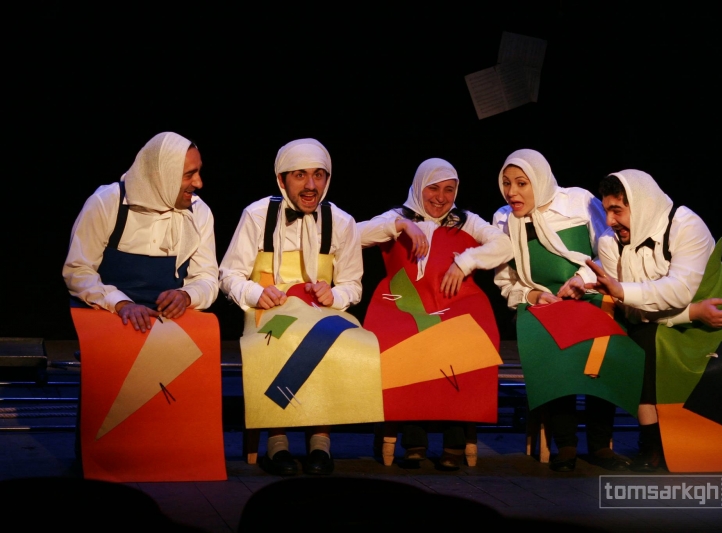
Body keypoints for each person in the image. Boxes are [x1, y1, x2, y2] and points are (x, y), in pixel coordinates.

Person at [585, 169, 722, 473]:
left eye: (617, 210)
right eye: (606, 210)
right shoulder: (611, 242)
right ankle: (654, 444)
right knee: (643, 340)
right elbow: (635, 312)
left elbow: (679, 290)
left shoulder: (684, 225)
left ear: (642, 205)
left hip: (717, 314)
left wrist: (626, 292)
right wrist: (690, 313)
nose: (609, 221)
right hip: (667, 322)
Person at [219, 138, 373, 477]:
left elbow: (353, 284)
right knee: (275, 341)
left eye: (319, 175)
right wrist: (255, 292)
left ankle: (320, 441)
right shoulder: (257, 216)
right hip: (270, 310)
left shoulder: (341, 222)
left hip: (320, 311)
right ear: (281, 179)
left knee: (340, 340)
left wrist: (335, 295)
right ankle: (277, 442)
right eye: (300, 175)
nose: (311, 185)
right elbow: (228, 274)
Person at [492, 149, 644, 472]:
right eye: (506, 183)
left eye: (521, 183)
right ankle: (566, 443)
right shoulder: (504, 219)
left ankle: (600, 444)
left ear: (539, 180)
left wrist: (582, 279)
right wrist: (533, 294)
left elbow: (609, 251)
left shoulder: (578, 201)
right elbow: (506, 280)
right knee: (553, 348)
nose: (512, 192)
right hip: (542, 305)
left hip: (591, 294)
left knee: (606, 344)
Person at [358, 157, 513, 470]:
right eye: (433, 188)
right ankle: (414, 440)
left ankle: (455, 440)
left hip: (455, 301)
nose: (441, 198)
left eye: (449, 189)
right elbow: (353, 234)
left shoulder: (465, 220)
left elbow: (504, 245)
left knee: (463, 341)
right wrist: (400, 225)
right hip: (403, 303)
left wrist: (465, 262)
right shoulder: (397, 216)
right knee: (405, 340)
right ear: (419, 187)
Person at [63, 131, 219, 327]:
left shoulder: (198, 212)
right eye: (189, 175)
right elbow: (78, 271)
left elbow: (206, 278)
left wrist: (186, 296)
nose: (199, 183)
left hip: (166, 326)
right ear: (162, 176)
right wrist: (122, 304)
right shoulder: (107, 203)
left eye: (198, 172)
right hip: (107, 320)